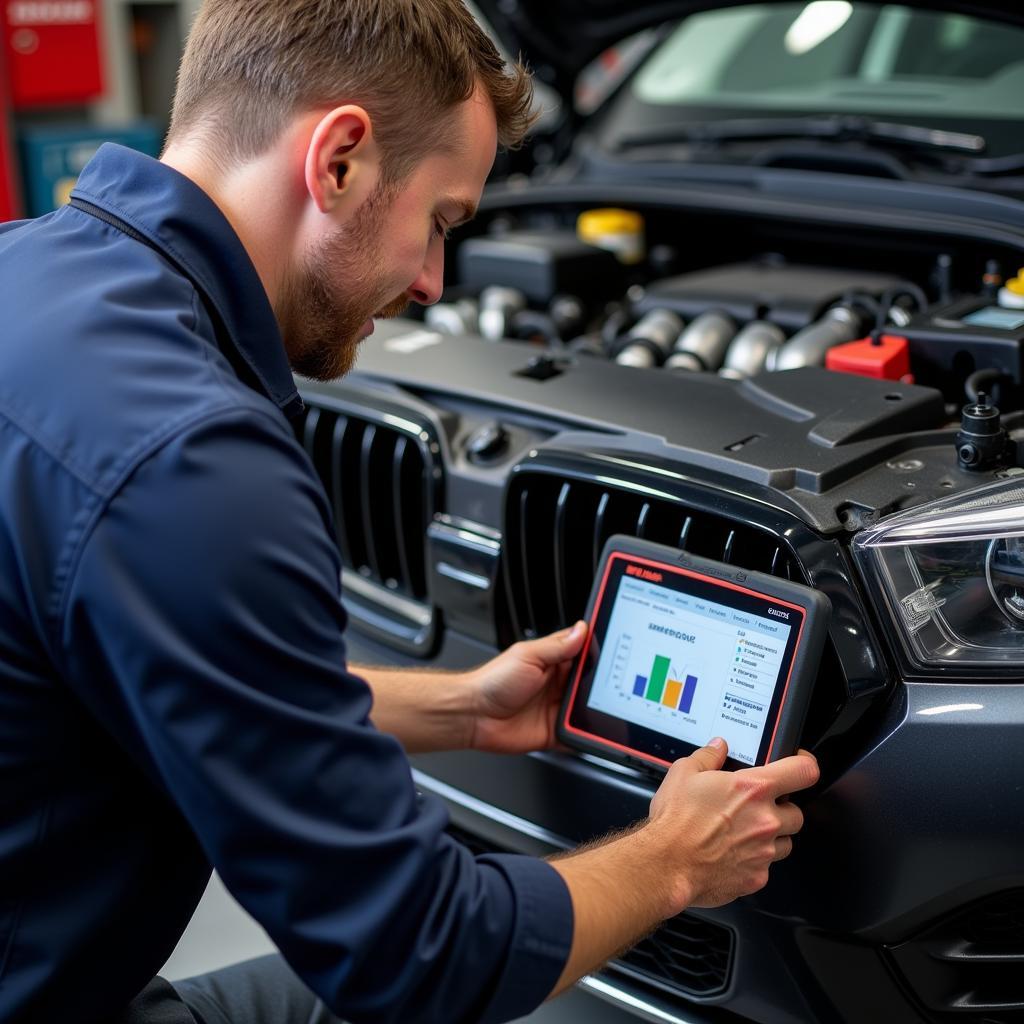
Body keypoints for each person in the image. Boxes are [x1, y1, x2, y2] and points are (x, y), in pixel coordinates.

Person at [0, 1, 820, 1021]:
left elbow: (178, 670)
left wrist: (462, 707)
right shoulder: (194, 461)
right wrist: (672, 861)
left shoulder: (26, 271)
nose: (433, 281)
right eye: (438, 221)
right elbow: (414, 951)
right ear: (338, 157)